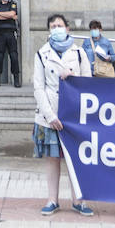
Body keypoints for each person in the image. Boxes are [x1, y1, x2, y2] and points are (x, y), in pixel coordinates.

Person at [32, 13, 94, 217]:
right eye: (53, 26)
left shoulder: (79, 53)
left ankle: (79, 200)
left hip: (75, 116)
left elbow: (89, 82)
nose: (56, 28)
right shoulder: (42, 54)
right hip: (51, 115)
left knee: (76, 159)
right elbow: (38, 87)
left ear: (67, 28)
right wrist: (50, 115)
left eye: (60, 25)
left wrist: (73, 76)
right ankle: (53, 199)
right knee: (52, 159)